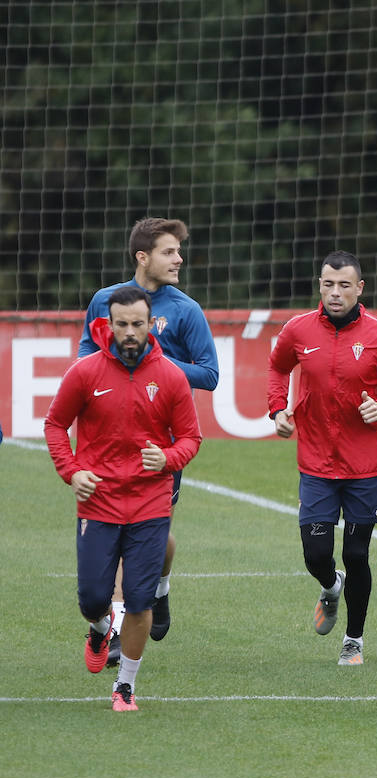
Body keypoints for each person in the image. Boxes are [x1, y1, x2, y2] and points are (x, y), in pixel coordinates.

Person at [45, 287, 203, 711]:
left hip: (151, 505)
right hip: (98, 502)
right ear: (108, 324)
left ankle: (126, 686)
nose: (130, 332)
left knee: (138, 600)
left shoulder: (169, 375)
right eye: (122, 324)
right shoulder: (85, 372)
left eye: (138, 324)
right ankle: (99, 629)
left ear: (151, 325)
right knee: (93, 598)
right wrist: (72, 471)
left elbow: (191, 438)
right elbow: (55, 425)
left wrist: (167, 458)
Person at [78, 217, 218, 656]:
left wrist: (157, 367)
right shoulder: (106, 300)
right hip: (107, 442)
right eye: (168, 251)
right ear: (143, 257)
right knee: (118, 536)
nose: (179, 259)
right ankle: (116, 628)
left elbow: (210, 373)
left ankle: (159, 584)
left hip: (161, 445)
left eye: (179, 251)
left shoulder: (186, 310)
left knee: (153, 538)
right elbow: (85, 352)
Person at [266, 251, 377, 666]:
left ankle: (354, 640)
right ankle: (331, 587)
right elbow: (277, 369)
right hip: (315, 463)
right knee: (315, 555)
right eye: (328, 284)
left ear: (359, 288)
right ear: (320, 284)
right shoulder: (298, 330)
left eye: (344, 285)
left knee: (358, 554)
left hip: (364, 466)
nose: (335, 292)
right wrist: (278, 409)